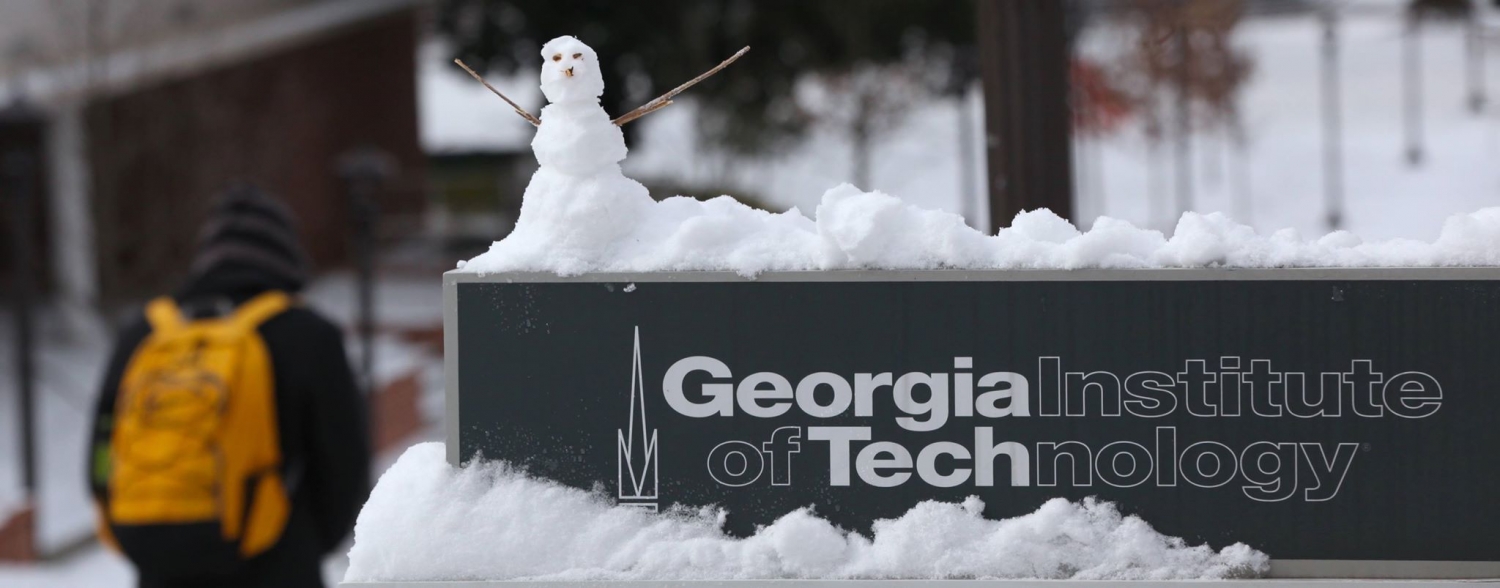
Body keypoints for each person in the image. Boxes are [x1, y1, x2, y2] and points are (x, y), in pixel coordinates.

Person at [88, 185, 371, 588]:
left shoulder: (144, 332)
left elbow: (102, 448)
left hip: (160, 562)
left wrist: (143, 530)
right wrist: (305, 540)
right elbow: (344, 462)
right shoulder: (308, 333)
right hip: (278, 560)